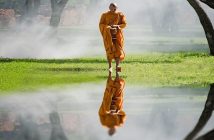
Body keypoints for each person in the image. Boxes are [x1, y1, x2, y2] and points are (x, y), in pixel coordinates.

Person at [99, 3, 127, 72]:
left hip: (117, 36)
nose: (112, 9)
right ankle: (110, 66)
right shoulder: (104, 15)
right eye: (111, 7)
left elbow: (124, 24)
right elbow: (101, 24)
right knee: (110, 51)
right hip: (108, 36)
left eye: (114, 7)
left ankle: (117, 66)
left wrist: (117, 26)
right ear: (109, 7)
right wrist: (108, 27)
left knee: (118, 51)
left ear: (116, 8)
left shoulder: (120, 15)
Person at [98, 71, 126, 136]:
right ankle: (117, 70)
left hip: (108, 103)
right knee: (119, 86)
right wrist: (117, 112)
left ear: (108, 130)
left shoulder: (104, 123)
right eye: (113, 131)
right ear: (115, 130)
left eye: (111, 131)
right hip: (117, 103)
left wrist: (108, 112)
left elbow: (100, 113)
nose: (112, 130)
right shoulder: (120, 123)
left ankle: (110, 71)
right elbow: (123, 114)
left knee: (109, 87)